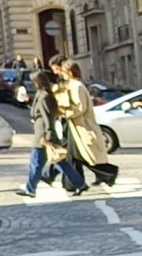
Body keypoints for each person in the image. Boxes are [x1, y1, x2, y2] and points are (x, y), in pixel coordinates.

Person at [16, 70, 87, 198]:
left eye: (33, 82)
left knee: (37, 163)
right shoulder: (41, 94)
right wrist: (29, 101)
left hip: (43, 135)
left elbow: (47, 117)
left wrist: (48, 135)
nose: (32, 84)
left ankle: (30, 189)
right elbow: (39, 111)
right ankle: (80, 183)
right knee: (60, 162)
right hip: (43, 133)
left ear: (38, 82)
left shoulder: (44, 96)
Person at [51, 57, 119, 187]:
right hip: (75, 125)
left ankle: (106, 173)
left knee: (78, 155)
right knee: (76, 155)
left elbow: (80, 107)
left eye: (63, 71)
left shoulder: (77, 86)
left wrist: (64, 113)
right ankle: (102, 175)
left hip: (81, 125)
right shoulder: (71, 85)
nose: (61, 73)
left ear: (70, 72)